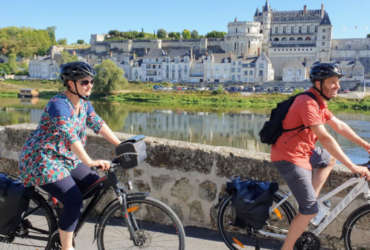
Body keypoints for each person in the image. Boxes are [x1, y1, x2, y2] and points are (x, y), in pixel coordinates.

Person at [18, 61, 121, 250]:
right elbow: (69, 135)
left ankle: (63, 213)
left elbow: (98, 124)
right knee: (74, 199)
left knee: (93, 183)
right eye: (84, 82)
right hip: (42, 159)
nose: (89, 85)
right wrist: (89, 161)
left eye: (91, 81)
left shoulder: (84, 104)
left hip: (64, 159)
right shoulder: (59, 104)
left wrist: (120, 145)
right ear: (71, 84)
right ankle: (67, 247)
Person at [270, 62, 370, 250]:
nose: (337, 86)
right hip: (289, 156)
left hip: (304, 149)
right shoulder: (307, 103)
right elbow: (325, 138)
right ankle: (288, 247)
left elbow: (339, 126)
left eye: (338, 82)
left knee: (328, 159)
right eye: (332, 82)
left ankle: (311, 201)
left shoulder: (318, 102)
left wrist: (365, 145)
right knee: (309, 210)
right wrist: (353, 166)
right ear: (318, 83)